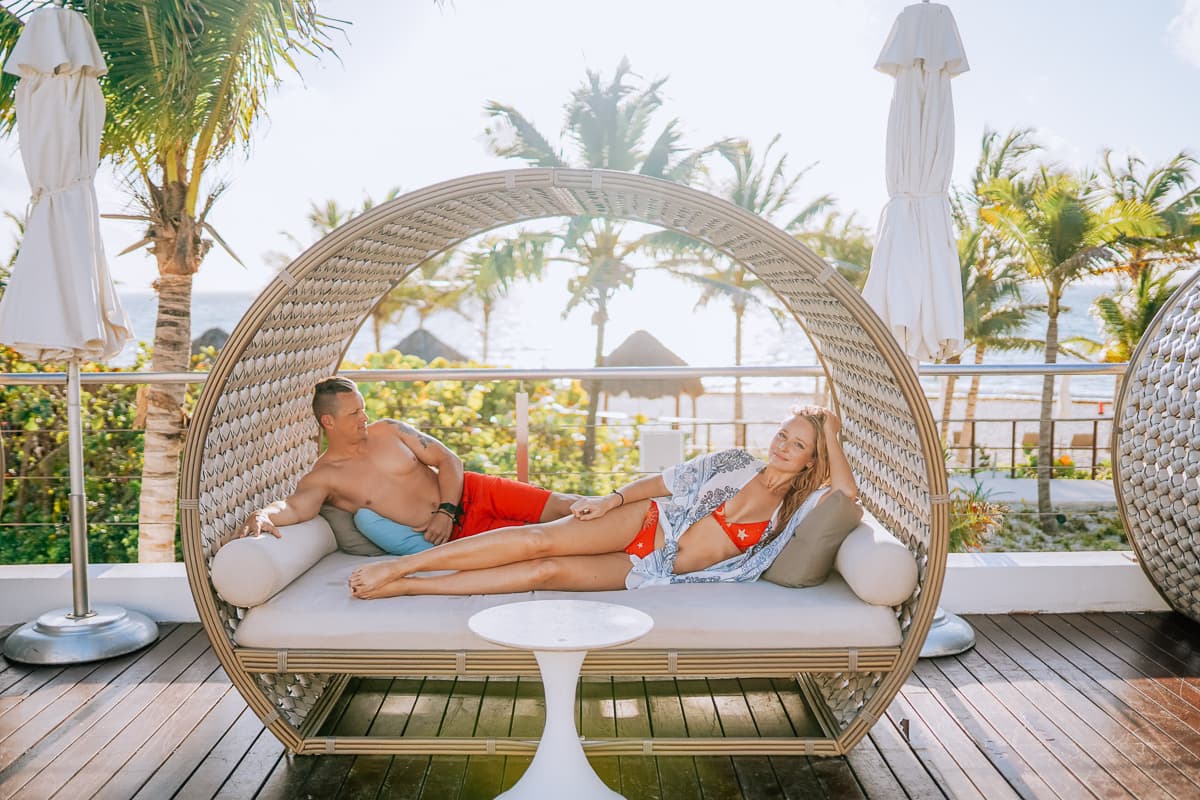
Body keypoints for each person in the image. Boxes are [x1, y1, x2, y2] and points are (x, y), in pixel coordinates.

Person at [347, 405, 857, 599]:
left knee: (543, 572)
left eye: (797, 444)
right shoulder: (733, 462)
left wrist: (830, 431)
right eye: (782, 435)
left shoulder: (800, 507)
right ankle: (405, 566)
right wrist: (610, 499)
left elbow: (847, 495)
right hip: (647, 521)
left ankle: (410, 588)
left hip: (652, 568)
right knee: (536, 538)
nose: (782, 447)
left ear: (813, 460)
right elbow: (663, 481)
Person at [238, 376, 580, 551]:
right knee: (553, 541)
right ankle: (632, 552)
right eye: (354, 412)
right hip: (459, 536)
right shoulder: (326, 476)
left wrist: (446, 511)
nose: (364, 416)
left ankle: (631, 513)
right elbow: (295, 507)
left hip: (472, 492)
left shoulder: (387, 430)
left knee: (568, 508)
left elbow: (448, 460)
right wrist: (265, 514)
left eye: (362, 407)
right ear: (328, 422)